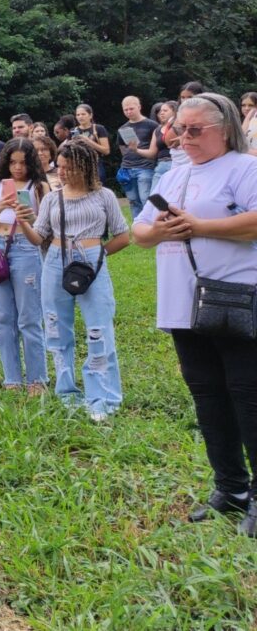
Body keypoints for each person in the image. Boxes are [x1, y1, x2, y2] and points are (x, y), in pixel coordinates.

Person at [132, 93, 257, 532]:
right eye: (179, 129)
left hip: (233, 296)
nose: (184, 137)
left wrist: (199, 227)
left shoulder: (245, 167)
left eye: (195, 130)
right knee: (207, 395)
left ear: (225, 129)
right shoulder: (175, 174)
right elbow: (139, 232)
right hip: (181, 301)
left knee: (247, 395)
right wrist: (160, 229)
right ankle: (231, 487)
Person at [18, 140, 130, 421]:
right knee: (56, 327)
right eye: (61, 166)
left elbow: (123, 236)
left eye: (68, 167)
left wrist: (98, 254)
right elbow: (39, 237)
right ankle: (66, 391)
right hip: (55, 259)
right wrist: (23, 222)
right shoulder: (53, 199)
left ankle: (103, 397)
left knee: (99, 327)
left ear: (85, 166)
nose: (62, 171)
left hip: (91, 263)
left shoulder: (103, 196)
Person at [0, 137, 49, 393]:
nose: (18, 168)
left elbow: (46, 226)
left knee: (29, 318)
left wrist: (28, 217)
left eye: (23, 163)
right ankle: (12, 378)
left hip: (26, 247)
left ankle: (37, 379)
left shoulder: (40, 186)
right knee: (2, 318)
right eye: (13, 163)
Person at [115, 95, 157, 217]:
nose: (128, 112)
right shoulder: (123, 128)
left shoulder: (152, 125)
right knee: (133, 201)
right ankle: (138, 228)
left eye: (131, 108)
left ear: (139, 107)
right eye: (125, 110)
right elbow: (122, 148)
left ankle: (151, 226)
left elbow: (156, 147)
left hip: (146, 167)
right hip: (128, 168)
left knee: (146, 199)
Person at [72, 104, 111, 180]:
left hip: (95, 164)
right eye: (78, 115)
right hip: (78, 165)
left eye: (83, 114)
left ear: (90, 115)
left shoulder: (99, 128)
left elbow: (106, 151)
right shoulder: (74, 131)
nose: (80, 117)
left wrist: (88, 141)